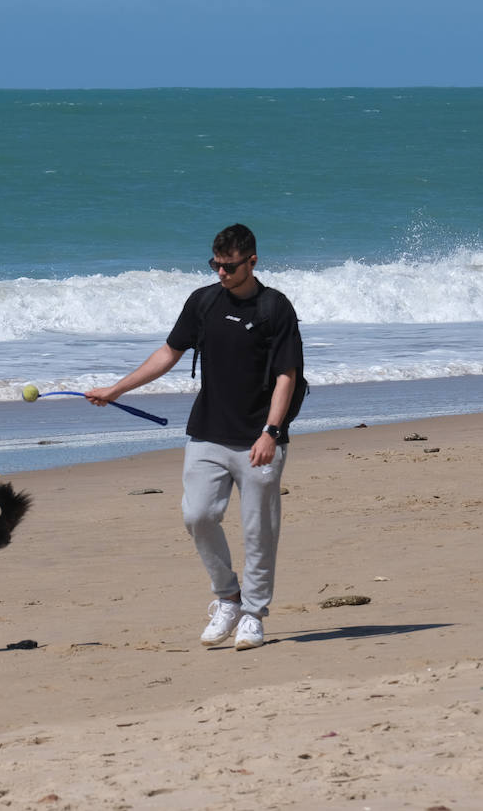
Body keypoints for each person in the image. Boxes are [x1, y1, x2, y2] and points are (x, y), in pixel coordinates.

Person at [87, 223, 302, 650]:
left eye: (230, 266)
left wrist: (271, 433)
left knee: (259, 530)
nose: (221, 273)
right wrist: (117, 389)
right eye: (216, 265)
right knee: (197, 515)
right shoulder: (202, 302)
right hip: (208, 431)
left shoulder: (275, 308)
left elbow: (287, 376)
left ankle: (254, 614)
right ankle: (228, 597)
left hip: (259, 438)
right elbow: (169, 352)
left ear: (252, 261)